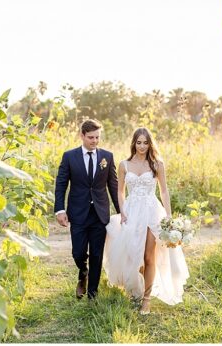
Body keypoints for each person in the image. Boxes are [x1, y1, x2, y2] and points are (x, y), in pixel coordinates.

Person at [103, 127, 189, 314]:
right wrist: (122, 211)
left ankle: (147, 299)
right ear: (134, 143)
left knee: (149, 256)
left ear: (150, 143)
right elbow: (120, 190)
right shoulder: (124, 164)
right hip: (132, 212)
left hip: (152, 211)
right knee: (134, 255)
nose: (142, 146)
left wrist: (169, 215)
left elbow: (164, 191)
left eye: (145, 142)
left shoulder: (157, 164)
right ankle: (137, 287)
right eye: (138, 142)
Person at [54, 119, 120, 300]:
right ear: (82, 135)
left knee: (97, 254)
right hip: (78, 212)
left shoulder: (107, 156)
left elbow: (113, 186)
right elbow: (61, 184)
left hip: (100, 213)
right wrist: (59, 209)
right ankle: (83, 272)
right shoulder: (69, 156)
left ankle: (93, 294)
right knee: (78, 252)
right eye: (91, 137)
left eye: (97, 137)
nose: (95, 141)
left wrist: (121, 211)